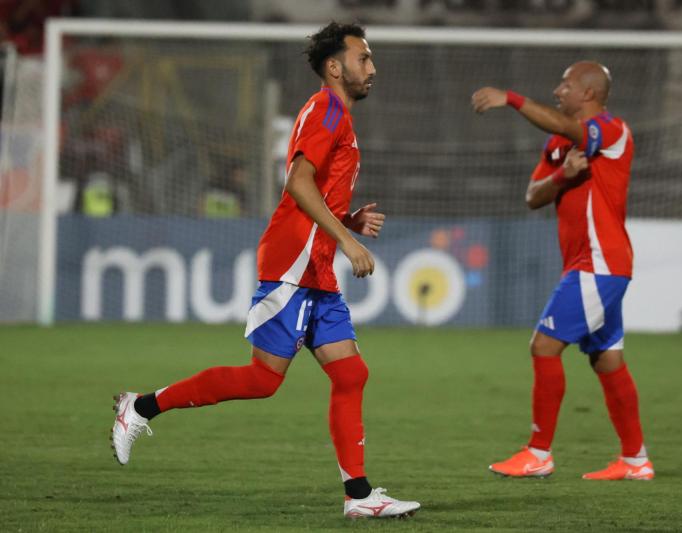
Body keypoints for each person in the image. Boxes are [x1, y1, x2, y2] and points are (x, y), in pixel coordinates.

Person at [111, 22, 421, 518]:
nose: (372, 68)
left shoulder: (337, 114)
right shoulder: (326, 109)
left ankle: (359, 497)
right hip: (295, 263)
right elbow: (297, 183)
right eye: (364, 58)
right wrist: (346, 239)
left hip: (315, 268)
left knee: (351, 374)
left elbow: (315, 190)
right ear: (336, 67)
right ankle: (140, 406)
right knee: (263, 380)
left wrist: (347, 218)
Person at [471, 61, 654, 480]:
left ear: (588, 93)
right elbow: (533, 196)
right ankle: (635, 460)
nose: (558, 90)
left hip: (600, 263)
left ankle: (539, 453)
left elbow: (567, 127)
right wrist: (562, 175)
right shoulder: (559, 143)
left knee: (544, 346)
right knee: (607, 361)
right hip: (588, 265)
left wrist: (513, 100)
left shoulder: (612, 131)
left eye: (566, 85)